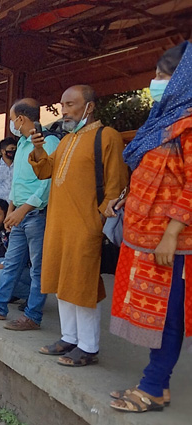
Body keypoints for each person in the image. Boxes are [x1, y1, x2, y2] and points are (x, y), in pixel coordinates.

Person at [105, 42, 191, 412]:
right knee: (156, 312)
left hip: (171, 240)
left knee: (169, 313)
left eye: (162, 75)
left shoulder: (189, 125)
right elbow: (149, 171)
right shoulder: (162, 121)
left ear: (183, 80)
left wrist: (172, 233)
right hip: (146, 237)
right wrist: (125, 197)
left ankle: (153, 387)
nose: (154, 82)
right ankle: (159, 383)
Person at [27, 86, 128, 364]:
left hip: (86, 225)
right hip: (58, 223)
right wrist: (38, 148)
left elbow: (116, 185)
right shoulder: (66, 140)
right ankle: (69, 338)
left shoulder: (106, 136)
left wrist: (100, 221)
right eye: (62, 105)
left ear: (90, 106)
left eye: (71, 104)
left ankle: (89, 346)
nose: (65, 110)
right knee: (62, 282)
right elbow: (45, 170)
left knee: (82, 285)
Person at [0, 98, 61, 331]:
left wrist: (23, 209)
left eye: (12, 119)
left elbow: (47, 184)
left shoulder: (48, 142)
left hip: (35, 214)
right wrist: (11, 209)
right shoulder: (21, 144)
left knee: (38, 268)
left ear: (21, 118)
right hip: (18, 213)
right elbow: (17, 182)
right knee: (10, 263)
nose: (12, 124)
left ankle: (33, 315)